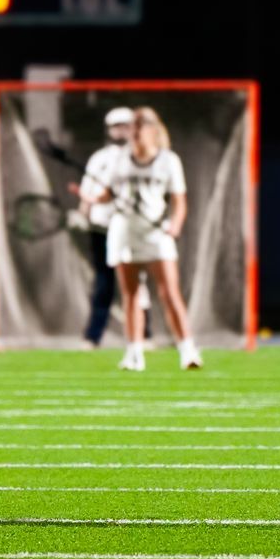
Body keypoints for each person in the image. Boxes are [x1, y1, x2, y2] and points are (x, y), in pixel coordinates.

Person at [85, 106, 200, 371]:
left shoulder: (168, 160)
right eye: (132, 130)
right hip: (124, 230)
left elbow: (179, 201)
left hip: (156, 233)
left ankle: (188, 351)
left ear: (152, 131)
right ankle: (134, 353)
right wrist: (92, 198)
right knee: (131, 295)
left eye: (138, 129)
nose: (134, 135)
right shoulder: (119, 159)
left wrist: (176, 226)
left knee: (169, 293)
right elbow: (108, 192)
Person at [75, 107, 133, 348]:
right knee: (103, 282)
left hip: (132, 227)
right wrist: (82, 213)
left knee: (135, 283)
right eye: (116, 126)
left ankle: (144, 335)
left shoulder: (141, 156)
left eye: (125, 125)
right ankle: (93, 336)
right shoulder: (100, 158)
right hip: (102, 228)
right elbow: (87, 192)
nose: (120, 131)